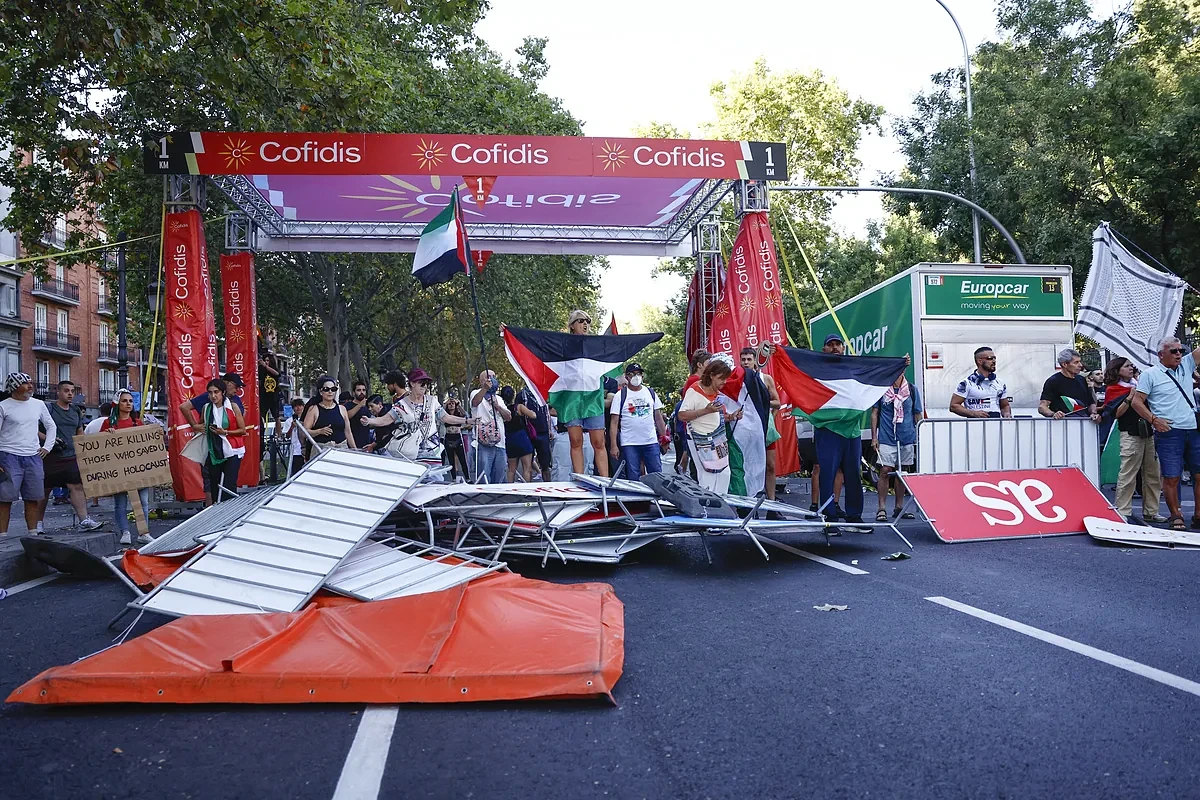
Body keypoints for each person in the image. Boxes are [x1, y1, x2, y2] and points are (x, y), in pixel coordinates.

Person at [1131, 336, 1200, 530]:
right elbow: (1137, 401)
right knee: (1171, 476)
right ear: (1161, 355)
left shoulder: (1186, 365)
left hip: (1192, 428)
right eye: (1174, 351)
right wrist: (1154, 419)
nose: (1179, 354)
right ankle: (1175, 515)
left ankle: (1198, 515)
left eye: (1181, 351)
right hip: (1169, 431)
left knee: (1199, 474)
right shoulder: (1150, 374)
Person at [364, 368, 470, 462]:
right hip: (410, 454)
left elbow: (446, 417)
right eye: (421, 383)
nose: (425, 386)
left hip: (432, 452)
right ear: (412, 383)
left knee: (436, 480)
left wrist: (467, 421)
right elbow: (385, 420)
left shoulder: (432, 401)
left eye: (426, 383)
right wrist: (369, 421)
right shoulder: (401, 404)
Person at [38, 381, 103, 531]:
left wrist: (82, 451)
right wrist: (49, 440)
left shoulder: (75, 411)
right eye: (66, 391)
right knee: (44, 490)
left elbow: (79, 431)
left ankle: (84, 520)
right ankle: (38, 524)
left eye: (72, 391)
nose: (70, 394)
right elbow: (36, 430)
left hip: (71, 455)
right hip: (50, 456)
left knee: (76, 486)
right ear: (58, 393)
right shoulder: (49, 409)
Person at [1104, 358, 1162, 522]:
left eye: (1132, 366)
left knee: (1152, 473)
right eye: (1127, 366)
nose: (1131, 368)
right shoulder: (1113, 389)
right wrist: (1130, 398)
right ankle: (1123, 510)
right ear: (1117, 369)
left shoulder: (1141, 384)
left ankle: (1151, 511)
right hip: (1130, 433)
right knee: (1128, 472)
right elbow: (1115, 413)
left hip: (1147, 432)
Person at [0, 372, 55, 536]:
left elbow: (51, 426)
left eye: (31, 382)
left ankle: (33, 533)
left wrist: (47, 447)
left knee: (33, 497)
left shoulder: (38, 404)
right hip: (8, 455)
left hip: (33, 456)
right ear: (15, 386)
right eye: (26, 383)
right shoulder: (3, 406)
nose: (31, 386)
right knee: (5, 499)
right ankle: (3, 536)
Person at [101, 389, 154, 545]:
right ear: (117, 403)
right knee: (121, 503)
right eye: (124, 401)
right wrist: (107, 435)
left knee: (143, 502)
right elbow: (99, 447)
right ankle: (125, 531)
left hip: (138, 469)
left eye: (130, 401)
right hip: (118, 470)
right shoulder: (108, 423)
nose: (128, 404)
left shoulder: (138, 422)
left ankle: (143, 533)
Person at [870, 371, 924, 521]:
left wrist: (922, 434)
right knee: (885, 471)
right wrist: (874, 437)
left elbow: (917, 413)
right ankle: (881, 508)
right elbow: (874, 413)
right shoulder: (882, 389)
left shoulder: (911, 389)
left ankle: (899, 507)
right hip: (887, 436)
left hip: (906, 436)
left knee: (902, 472)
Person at [677, 356, 734, 492]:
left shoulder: (717, 393)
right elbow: (682, 415)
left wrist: (731, 417)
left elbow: (715, 416)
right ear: (712, 375)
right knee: (707, 476)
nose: (724, 382)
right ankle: (707, 510)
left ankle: (720, 506)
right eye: (721, 378)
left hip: (718, 440)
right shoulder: (694, 390)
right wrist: (705, 410)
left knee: (724, 474)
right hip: (701, 441)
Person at [563, 309, 609, 477]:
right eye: (581, 321)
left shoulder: (596, 345)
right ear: (572, 325)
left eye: (588, 321)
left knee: (598, 441)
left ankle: (605, 482)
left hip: (592, 397)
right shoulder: (563, 345)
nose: (585, 324)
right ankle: (579, 479)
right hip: (572, 398)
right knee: (575, 441)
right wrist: (510, 334)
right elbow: (538, 343)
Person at [188, 379, 247, 505]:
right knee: (214, 485)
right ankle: (217, 514)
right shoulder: (206, 408)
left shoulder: (233, 407)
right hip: (214, 450)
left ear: (223, 392)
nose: (213, 396)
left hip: (232, 450)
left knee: (229, 485)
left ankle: (230, 514)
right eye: (210, 393)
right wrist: (196, 427)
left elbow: (242, 430)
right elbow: (200, 426)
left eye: (216, 392)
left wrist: (225, 432)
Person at [608, 362, 668, 477]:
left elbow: (658, 418)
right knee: (633, 476)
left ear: (642, 376)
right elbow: (614, 422)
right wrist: (614, 445)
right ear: (626, 377)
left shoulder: (650, 393)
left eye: (638, 373)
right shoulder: (620, 396)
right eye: (632, 374)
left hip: (650, 442)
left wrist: (664, 439)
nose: (636, 376)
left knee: (657, 474)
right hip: (629, 443)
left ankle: (657, 495)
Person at [741, 347, 782, 499]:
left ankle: (771, 502)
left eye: (749, 359)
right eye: (743, 359)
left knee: (770, 466)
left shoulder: (766, 378)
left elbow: (777, 402)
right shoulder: (737, 379)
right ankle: (749, 501)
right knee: (748, 466)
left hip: (765, 427)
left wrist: (763, 404)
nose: (746, 362)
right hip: (746, 428)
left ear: (754, 361)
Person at [468, 369, 511, 484]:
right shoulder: (475, 393)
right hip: (483, 445)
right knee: (484, 478)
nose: (492, 378)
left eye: (494, 376)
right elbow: (475, 402)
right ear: (482, 381)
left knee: (499, 478)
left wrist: (497, 406)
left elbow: (508, 417)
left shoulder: (499, 398)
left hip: (500, 445)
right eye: (488, 376)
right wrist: (485, 389)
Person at [302, 375, 356, 460]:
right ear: (321, 392)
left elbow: (348, 432)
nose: (330, 392)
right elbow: (304, 432)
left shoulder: (342, 409)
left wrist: (354, 450)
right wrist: (319, 431)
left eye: (333, 389)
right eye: (326, 389)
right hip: (321, 451)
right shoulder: (313, 409)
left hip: (342, 450)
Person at [950, 347, 1013, 418]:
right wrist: (973, 413)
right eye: (990, 358)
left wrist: (1007, 413)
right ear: (980, 361)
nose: (994, 361)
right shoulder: (966, 383)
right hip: (975, 426)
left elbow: (1005, 405)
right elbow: (954, 406)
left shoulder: (1000, 383)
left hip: (996, 425)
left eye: (994, 358)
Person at [1039, 349, 1100, 421]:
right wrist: (1053, 414)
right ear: (1064, 364)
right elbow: (1042, 407)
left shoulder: (1082, 379)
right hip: (1063, 426)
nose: (1080, 365)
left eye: (1080, 362)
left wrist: (1094, 414)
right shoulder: (1053, 381)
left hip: (1085, 424)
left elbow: (1091, 403)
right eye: (1076, 362)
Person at [518, 386, 553, 481]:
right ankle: (528, 491)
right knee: (527, 465)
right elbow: (518, 412)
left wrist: (550, 429)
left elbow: (547, 412)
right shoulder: (522, 395)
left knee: (545, 465)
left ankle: (548, 488)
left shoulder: (543, 392)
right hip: (528, 433)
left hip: (543, 432)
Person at [501, 385, 536, 481]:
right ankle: (526, 491)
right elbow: (533, 415)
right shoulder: (519, 407)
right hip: (522, 438)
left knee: (511, 469)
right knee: (527, 468)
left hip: (509, 439)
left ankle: (510, 491)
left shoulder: (501, 410)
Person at [442, 397, 470, 481]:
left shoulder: (459, 414)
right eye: (450, 404)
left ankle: (467, 478)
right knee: (451, 459)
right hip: (448, 436)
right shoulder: (445, 414)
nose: (451, 405)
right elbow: (439, 411)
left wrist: (458, 404)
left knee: (462, 458)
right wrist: (446, 403)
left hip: (457, 436)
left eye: (452, 403)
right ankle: (453, 478)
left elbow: (466, 415)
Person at [280, 397, 307, 476]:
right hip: (295, 451)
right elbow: (286, 436)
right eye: (296, 406)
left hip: (306, 449)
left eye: (300, 406)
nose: (298, 408)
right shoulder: (289, 421)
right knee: (296, 472)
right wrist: (292, 427)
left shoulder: (307, 419)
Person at [343, 379, 371, 450]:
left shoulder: (368, 406)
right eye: (359, 390)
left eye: (363, 390)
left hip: (366, 444)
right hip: (351, 444)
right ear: (353, 392)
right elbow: (347, 416)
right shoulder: (348, 405)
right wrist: (359, 405)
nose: (362, 392)